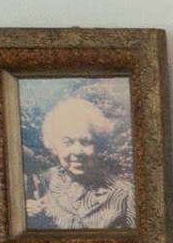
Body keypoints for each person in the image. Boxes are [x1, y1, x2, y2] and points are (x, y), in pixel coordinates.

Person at [25, 85, 134, 230]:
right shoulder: (44, 181)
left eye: (85, 141)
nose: (77, 151)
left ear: (98, 144)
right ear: (54, 146)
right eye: (67, 142)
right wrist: (26, 215)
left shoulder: (124, 194)